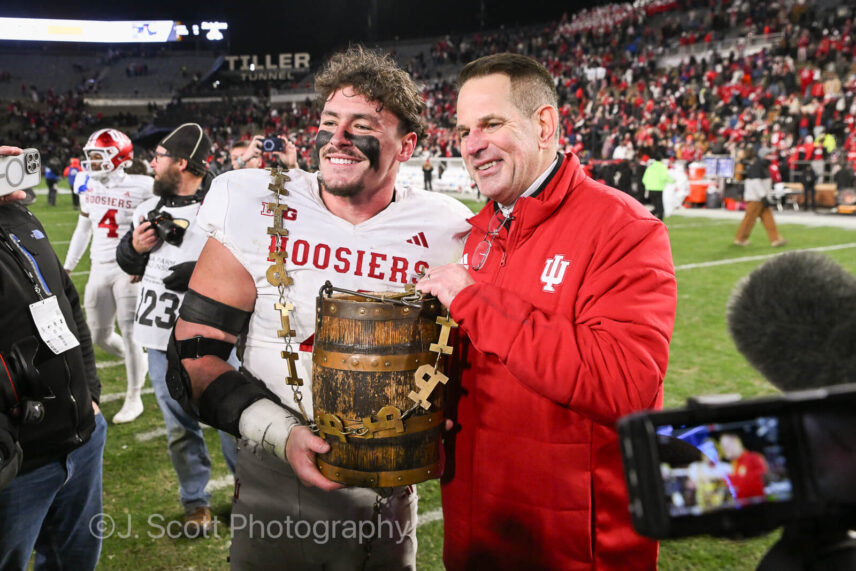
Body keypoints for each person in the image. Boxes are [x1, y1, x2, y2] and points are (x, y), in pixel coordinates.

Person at [168, 46, 472, 569]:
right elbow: (193, 355)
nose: (337, 139)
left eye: (362, 124)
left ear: (407, 144)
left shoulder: (448, 227)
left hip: (389, 491)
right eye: (329, 121)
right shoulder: (254, 200)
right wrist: (282, 434)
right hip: (273, 484)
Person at [416, 53, 677, 570]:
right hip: (476, 529)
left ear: (544, 125)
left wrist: (474, 301)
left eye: (491, 124)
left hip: (572, 542)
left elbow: (623, 385)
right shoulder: (476, 233)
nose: (472, 144)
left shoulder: (623, 228)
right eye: (464, 129)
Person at [115, 123, 237, 534]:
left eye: (161, 155)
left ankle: (248, 495)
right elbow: (128, 262)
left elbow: (252, 267)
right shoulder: (148, 208)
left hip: (213, 337)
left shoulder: (223, 209)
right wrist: (135, 249)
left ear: (183, 163)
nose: (153, 161)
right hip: (156, 337)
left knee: (233, 424)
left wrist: (202, 274)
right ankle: (195, 502)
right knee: (178, 429)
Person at [0, 144, 107, 569]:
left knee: (74, 561)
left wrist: (92, 394)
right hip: (17, 460)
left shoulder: (22, 218)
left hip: (81, 437)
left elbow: (68, 302)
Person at [63, 129, 153, 424]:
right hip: (99, 265)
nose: (92, 163)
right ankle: (138, 359)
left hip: (128, 268)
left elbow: (158, 227)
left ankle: (134, 396)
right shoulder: (88, 185)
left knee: (129, 333)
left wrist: (146, 263)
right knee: (98, 335)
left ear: (120, 158)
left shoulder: (144, 186)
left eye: (99, 156)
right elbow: (83, 228)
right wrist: (68, 265)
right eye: (91, 156)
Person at [734, 147, 787, 247]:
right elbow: (756, 183)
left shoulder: (762, 166)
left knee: (769, 219)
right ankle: (740, 239)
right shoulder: (757, 166)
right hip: (755, 198)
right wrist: (763, 196)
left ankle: (775, 239)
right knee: (749, 219)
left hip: (761, 198)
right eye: (768, 155)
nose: (770, 157)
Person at [719, 433, 768, 502]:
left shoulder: (754, 458)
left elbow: (762, 480)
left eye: (726, 447)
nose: (724, 450)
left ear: (736, 442)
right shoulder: (734, 465)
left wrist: (729, 479)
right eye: (723, 448)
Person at [230, 135, 298, 171]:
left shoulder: (272, 184)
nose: (243, 160)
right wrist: (243, 159)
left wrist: (292, 166)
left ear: (259, 161)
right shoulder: (227, 187)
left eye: (248, 157)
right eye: (235, 158)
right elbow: (223, 177)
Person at [641, 150, 674, 220]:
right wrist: (672, 181)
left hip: (650, 189)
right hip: (658, 189)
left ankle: (646, 217)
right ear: (661, 159)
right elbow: (664, 177)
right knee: (660, 209)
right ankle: (657, 223)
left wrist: (649, 185)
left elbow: (644, 180)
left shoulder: (650, 167)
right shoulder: (662, 167)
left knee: (657, 208)